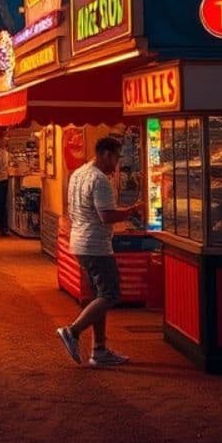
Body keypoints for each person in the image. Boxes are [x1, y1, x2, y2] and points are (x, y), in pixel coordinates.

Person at [56, 135, 143, 368]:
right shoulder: (100, 180)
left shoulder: (79, 173)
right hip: (96, 245)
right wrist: (132, 210)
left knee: (99, 296)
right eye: (116, 156)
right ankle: (72, 331)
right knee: (111, 294)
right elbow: (107, 216)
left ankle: (99, 350)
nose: (117, 163)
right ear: (105, 153)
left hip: (80, 242)